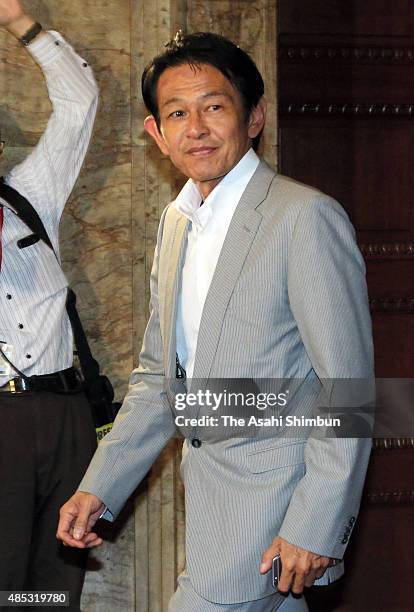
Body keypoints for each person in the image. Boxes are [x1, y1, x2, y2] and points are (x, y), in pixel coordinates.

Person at [57, 32, 374, 611]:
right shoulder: (175, 223)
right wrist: (99, 486)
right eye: (177, 112)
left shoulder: (302, 217)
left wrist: (315, 522)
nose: (195, 127)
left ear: (253, 118)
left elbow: (349, 389)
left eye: (214, 106)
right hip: (207, 496)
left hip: (274, 502)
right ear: (155, 134)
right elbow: (159, 380)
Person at [0, 0, 98, 609]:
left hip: (67, 413)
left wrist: (20, 24)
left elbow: (79, 106)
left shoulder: (27, 195)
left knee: (57, 588)